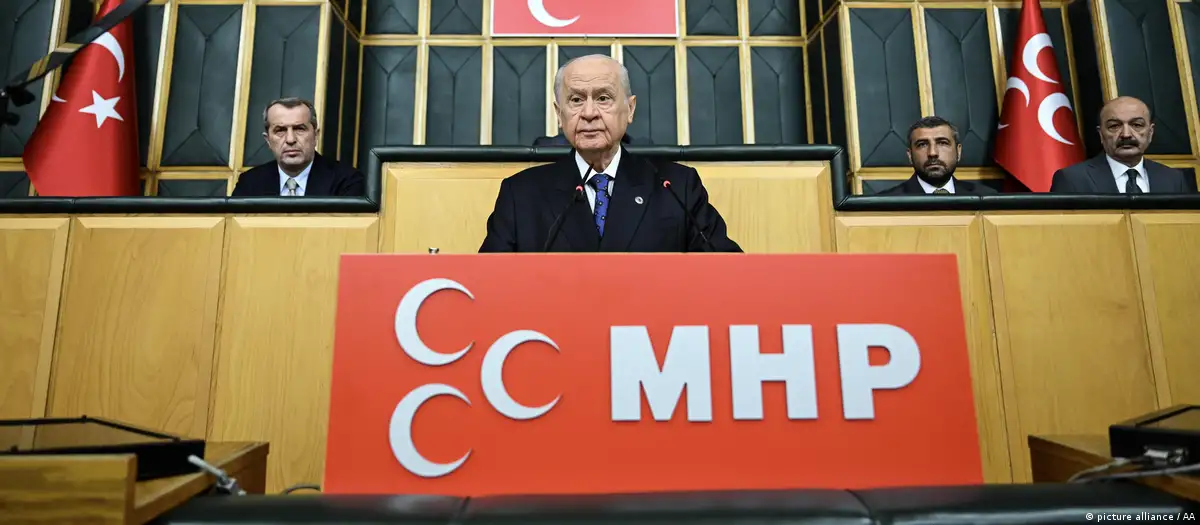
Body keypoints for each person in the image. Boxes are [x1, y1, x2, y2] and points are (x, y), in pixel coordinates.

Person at [479, 55, 741, 253]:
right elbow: (489, 284)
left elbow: (727, 272)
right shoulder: (521, 194)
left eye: (603, 98)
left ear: (630, 109)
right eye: (576, 100)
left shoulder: (677, 187)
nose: (589, 113)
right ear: (559, 114)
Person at [1050, 96, 1190, 193]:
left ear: (1150, 132)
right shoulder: (1072, 179)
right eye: (1114, 126)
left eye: (1137, 125)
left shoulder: (1174, 179)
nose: (1126, 134)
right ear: (1101, 134)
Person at [232, 97, 364, 197]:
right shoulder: (250, 183)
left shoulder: (346, 181)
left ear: (315, 135)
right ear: (268, 140)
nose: (290, 139)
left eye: (299, 129)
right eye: (280, 130)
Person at [878, 116, 997, 195]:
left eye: (942, 143)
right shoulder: (885, 205)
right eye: (922, 144)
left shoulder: (987, 198)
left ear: (958, 151)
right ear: (910, 155)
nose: (932, 153)